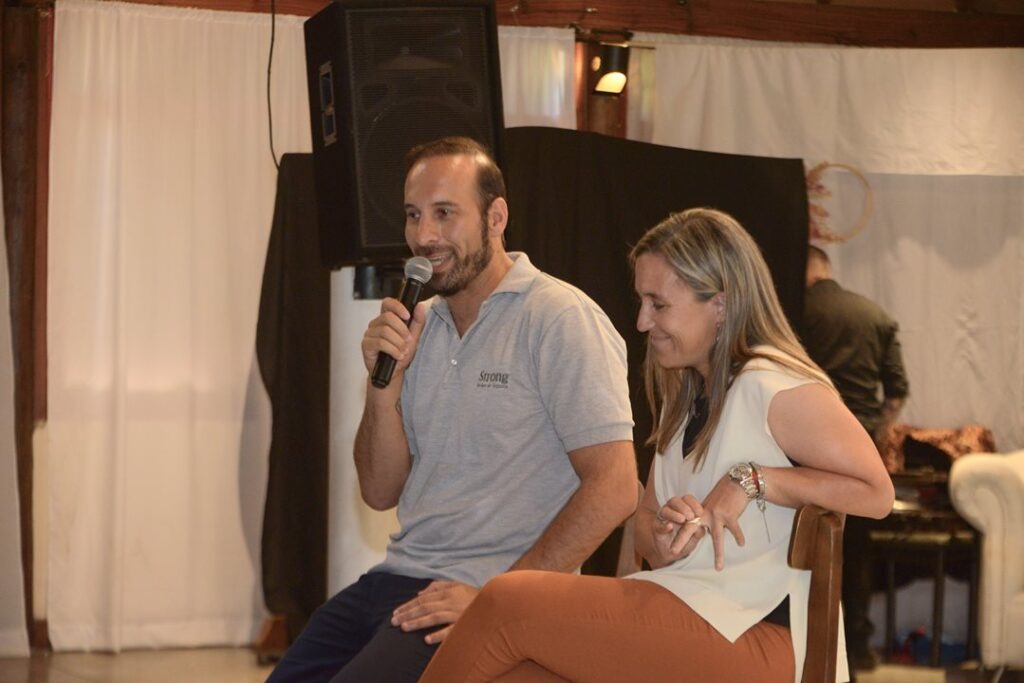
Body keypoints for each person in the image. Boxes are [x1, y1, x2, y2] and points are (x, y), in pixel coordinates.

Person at [418, 207, 895, 683]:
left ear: (721, 304)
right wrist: (664, 539)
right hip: (689, 608)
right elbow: (644, 528)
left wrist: (751, 480)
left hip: (760, 637)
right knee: (518, 673)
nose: (643, 322)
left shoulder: (774, 387)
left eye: (658, 304)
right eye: (642, 302)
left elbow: (876, 493)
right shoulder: (684, 392)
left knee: (506, 602)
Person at [265, 137, 638, 683]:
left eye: (445, 213)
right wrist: (383, 387)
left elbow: (616, 486)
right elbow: (379, 491)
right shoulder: (421, 323)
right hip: (394, 579)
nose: (424, 236)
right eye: (413, 215)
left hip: (485, 592)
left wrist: (498, 598)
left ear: (496, 217)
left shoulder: (559, 318)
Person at [802, 244, 910, 673]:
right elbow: (897, 390)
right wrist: (874, 434)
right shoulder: (874, 315)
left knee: (803, 546)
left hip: (805, 445)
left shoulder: (794, 311)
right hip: (859, 449)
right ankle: (858, 648)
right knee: (856, 551)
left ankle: (807, 646)